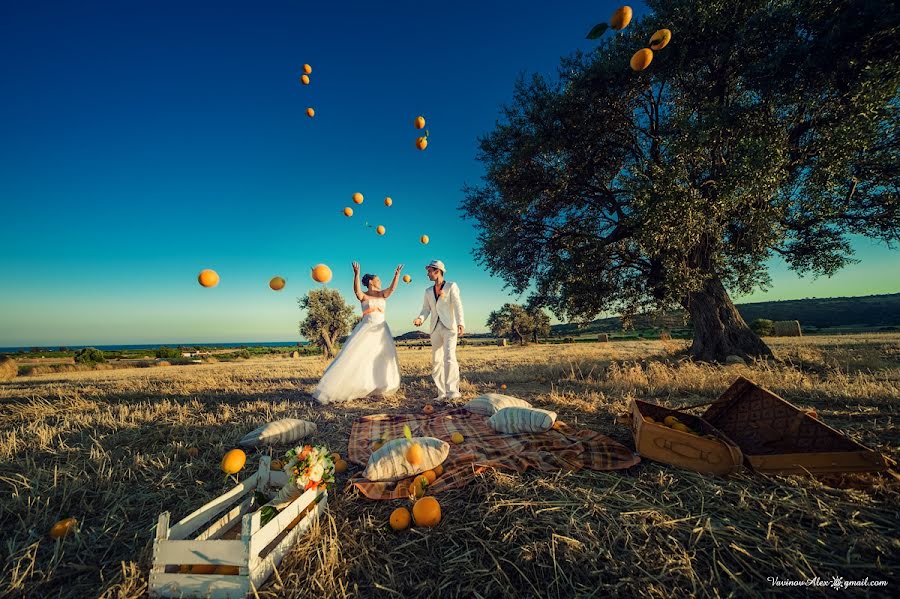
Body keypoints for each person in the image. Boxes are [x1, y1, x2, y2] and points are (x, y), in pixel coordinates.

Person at [312, 262, 403, 404]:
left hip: (381, 330)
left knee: (381, 358)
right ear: (371, 282)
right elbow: (357, 291)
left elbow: (392, 288)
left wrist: (396, 275)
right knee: (359, 358)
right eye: (378, 280)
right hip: (366, 329)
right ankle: (357, 386)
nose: (380, 282)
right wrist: (356, 275)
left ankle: (379, 386)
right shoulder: (364, 296)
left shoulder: (382, 294)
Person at [413, 260, 465, 401]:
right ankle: (441, 393)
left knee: (449, 358)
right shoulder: (428, 291)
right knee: (436, 361)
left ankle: (453, 392)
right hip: (435, 328)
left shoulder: (451, 286)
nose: (427, 274)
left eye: (429, 271)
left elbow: (458, 305)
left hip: (449, 327)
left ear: (437, 271)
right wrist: (420, 319)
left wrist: (461, 323)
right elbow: (426, 309)